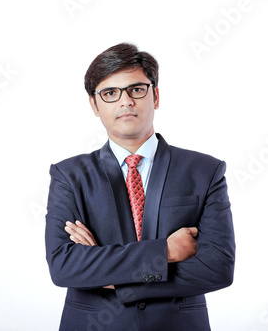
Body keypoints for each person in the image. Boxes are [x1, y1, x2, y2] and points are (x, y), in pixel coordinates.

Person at [45, 42, 235, 331]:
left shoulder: (205, 171)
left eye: (136, 89)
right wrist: (166, 253)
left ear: (155, 96)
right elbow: (64, 266)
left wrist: (111, 277)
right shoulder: (69, 175)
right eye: (110, 93)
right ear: (94, 105)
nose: (126, 101)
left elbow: (217, 268)